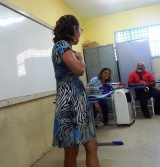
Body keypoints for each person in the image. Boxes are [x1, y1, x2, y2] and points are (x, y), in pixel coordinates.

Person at [51, 15, 100, 167]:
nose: (79, 34)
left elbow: (70, 77)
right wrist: (81, 59)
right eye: (80, 30)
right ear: (74, 29)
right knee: (72, 151)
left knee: (91, 145)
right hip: (70, 105)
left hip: (77, 103)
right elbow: (79, 70)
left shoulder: (67, 49)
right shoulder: (61, 45)